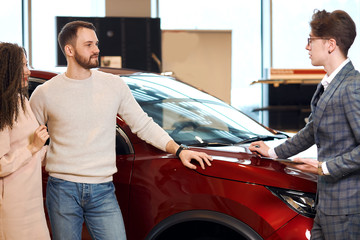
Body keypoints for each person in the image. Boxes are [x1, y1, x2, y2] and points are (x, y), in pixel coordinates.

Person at [29, 20, 213, 240]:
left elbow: (143, 124)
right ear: (69, 50)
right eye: (88, 44)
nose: (96, 49)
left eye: (96, 43)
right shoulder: (45, 93)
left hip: (103, 189)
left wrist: (179, 150)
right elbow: (30, 139)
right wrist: (42, 157)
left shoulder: (113, 85)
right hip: (62, 190)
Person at [249, 9, 360, 240]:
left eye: (311, 40)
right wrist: (272, 151)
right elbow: (312, 130)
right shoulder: (329, 83)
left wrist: (324, 167)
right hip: (326, 205)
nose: (307, 47)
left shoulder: (352, 86)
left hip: (347, 208)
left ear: (330, 44)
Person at [0, 42, 50, 239]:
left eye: (27, 64)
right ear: (7, 69)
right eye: (21, 65)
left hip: (33, 201)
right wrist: (32, 147)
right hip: (12, 206)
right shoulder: (3, 109)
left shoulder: (21, 102)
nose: (27, 71)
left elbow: (36, 152)